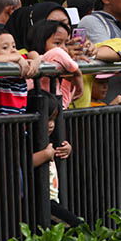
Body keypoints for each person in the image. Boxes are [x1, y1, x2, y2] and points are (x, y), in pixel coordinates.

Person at [32, 92, 82, 228]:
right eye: (48, 119)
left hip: (54, 199)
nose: (51, 124)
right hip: (41, 202)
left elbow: (60, 150)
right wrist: (45, 154)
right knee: (77, 227)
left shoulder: (50, 139)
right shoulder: (29, 139)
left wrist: (68, 148)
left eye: (54, 119)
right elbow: (24, 163)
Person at [0, 28, 41, 115]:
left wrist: (36, 60)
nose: (13, 50)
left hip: (19, 122)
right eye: (5, 47)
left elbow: (31, 53)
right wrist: (16, 58)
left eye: (14, 46)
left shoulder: (19, 63)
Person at [26, 20, 85, 108]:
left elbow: (62, 105)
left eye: (66, 43)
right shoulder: (39, 61)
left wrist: (68, 78)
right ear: (40, 42)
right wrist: (77, 73)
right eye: (57, 43)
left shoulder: (56, 67)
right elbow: (57, 52)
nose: (64, 49)